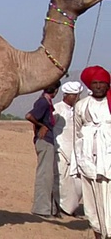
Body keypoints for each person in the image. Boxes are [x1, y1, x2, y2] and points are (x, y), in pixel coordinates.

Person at [73, 66, 111, 238]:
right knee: (92, 204)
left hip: (108, 161)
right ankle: (98, 233)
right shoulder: (81, 105)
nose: (98, 86)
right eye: (95, 83)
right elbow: (76, 134)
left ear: (107, 85)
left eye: (102, 83)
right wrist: (77, 163)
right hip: (88, 162)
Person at [25, 80, 61, 218]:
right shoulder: (43, 102)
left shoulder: (46, 102)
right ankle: (41, 209)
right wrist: (43, 126)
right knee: (44, 175)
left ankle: (49, 208)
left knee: (48, 175)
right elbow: (29, 116)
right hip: (44, 140)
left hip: (47, 141)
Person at [53, 81, 83, 216]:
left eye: (78, 95)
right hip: (61, 150)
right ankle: (62, 208)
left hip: (76, 151)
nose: (77, 98)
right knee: (62, 180)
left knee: (78, 182)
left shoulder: (79, 109)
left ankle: (71, 207)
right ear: (67, 95)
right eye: (74, 95)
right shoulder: (57, 109)